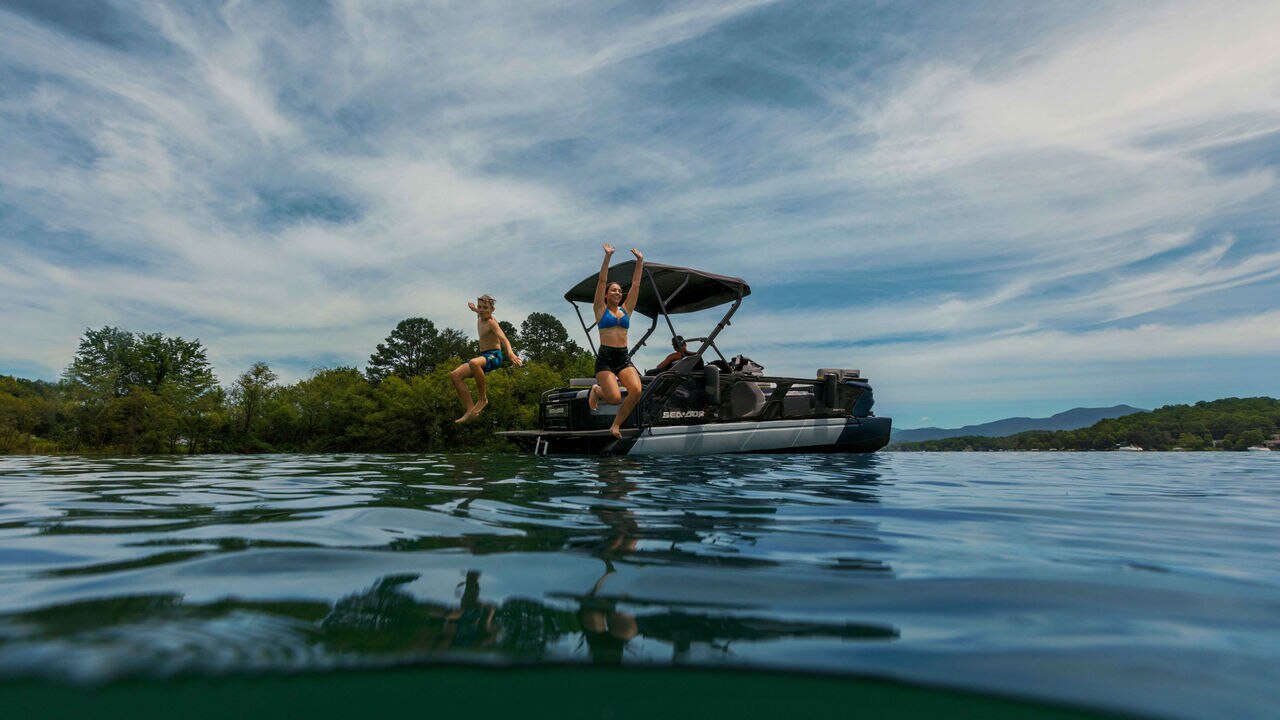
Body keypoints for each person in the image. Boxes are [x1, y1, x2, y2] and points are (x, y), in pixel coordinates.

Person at [589, 244, 644, 438]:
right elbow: (602, 280)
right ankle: (597, 390)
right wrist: (608, 256)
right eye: (613, 290)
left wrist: (640, 261)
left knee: (636, 391)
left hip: (622, 356)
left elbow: (636, 285)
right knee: (614, 399)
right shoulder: (600, 309)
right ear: (606, 294)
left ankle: (616, 426)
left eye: (620, 291)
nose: (617, 293)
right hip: (605, 358)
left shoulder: (626, 310)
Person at [450, 294, 522, 423]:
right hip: (483, 356)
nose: (481, 310)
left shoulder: (491, 322)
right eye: (480, 307)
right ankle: (470, 410)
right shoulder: (480, 315)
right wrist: (473, 308)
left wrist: (510, 353)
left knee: (474, 363)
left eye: (485, 308)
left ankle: (482, 398)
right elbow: (479, 311)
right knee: (455, 375)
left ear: (492, 310)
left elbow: (504, 338)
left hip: (495, 355)